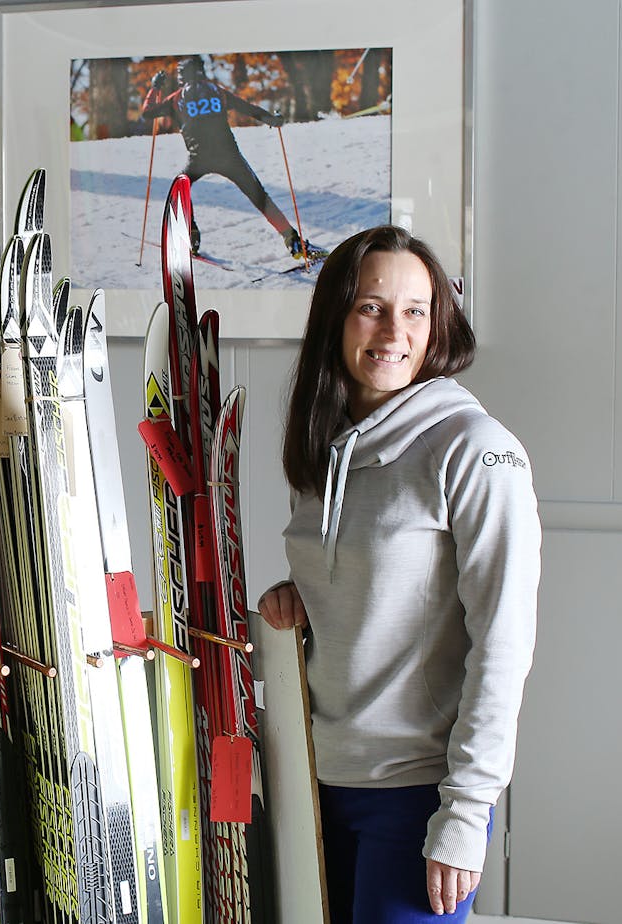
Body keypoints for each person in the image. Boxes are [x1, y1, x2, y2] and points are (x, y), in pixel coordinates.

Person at [257, 226, 539, 922]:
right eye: (371, 306)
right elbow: (380, 585)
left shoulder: (476, 452)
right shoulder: (326, 452)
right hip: (314, 781)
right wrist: (305, 597)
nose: (394, 329)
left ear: (439, 324)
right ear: (336, 317)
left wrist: (466, 814)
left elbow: (502, 645)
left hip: (417, 795)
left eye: (416, 310)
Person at [140, 55, 324, 261]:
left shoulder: (177, 98)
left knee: (179, 189)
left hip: (199, 158)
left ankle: (191, 235)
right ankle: (293, 241)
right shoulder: (217, 92)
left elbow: (147, 114)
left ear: (182, 76)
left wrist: (155, 88)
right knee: (259, 197)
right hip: (230, 156)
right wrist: (272, 119)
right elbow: (248, 108)